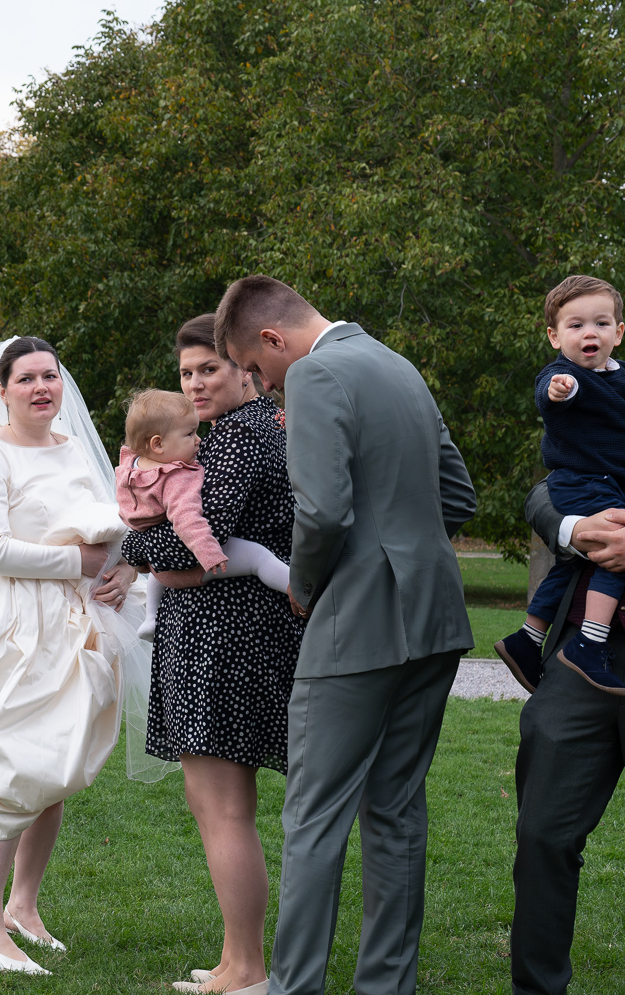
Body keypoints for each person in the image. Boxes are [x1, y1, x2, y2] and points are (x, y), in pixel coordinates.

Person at [218, 275, 475, 995]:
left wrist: (305, 581)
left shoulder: (318, 373)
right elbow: (458, 494)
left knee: (315, 814)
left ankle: (293, 988)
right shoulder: (398, 365)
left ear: (274, 341)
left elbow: (324, 513)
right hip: (436, 614)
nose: (268, 391)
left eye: (261, 375)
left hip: (357, 620)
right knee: (395, 808)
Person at [0, 335, 153, 976]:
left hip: (75, 624)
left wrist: (122, 571)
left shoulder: (75, 451)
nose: (42, 388)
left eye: (50, 376)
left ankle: (23, 906)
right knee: (13, 762)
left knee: (57, 760)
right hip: (8, 625)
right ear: (2, 389)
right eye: (27, 379)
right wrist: (84, 560)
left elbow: (117, 525)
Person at [121, 316, 303, 995]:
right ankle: (235, 961)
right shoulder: (252, 430)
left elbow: (191, 543)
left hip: (224, 638)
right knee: (215, 803)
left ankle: (248, 971)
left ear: (244, 367)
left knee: (223, 805)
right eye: (187, 373)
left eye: (209, 369)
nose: (195, 383)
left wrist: (132, 549)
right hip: (218, 627)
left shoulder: (237, 438)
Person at [512, 486, 625, 995]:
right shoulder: (604, 406)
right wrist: (574, 529)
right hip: (581, 659)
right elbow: (547, 488)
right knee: (542, 835)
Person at [496, 275, 625, 694]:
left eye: (601, 324)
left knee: (573, 561)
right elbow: (551, 396)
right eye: (576, 326)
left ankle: (527, 639)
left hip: (604, 482)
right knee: (614, 549)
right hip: (582, 480)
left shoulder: (621, 378)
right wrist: (560, 391)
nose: (590, 333)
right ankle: (590, 641)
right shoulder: (563, 374)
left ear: (619, 332)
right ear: (554, 337)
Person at [118, 387, 291, 642]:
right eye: (189, 434)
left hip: (160, 569)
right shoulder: (176, 478)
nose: (199, 440)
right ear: (157, 444)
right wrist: (209, 554)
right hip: (193, 560)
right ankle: (298, 588)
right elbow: (188, 520)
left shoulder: (130, 467)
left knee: (156, 577)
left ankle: (151, 617)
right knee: (257, 558)